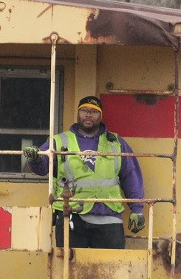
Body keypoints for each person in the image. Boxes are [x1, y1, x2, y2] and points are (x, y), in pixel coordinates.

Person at [23, 96, 145, 249]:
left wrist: (137, 209)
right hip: (70, 215)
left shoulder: (116, 142)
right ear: (78, 113)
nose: (88, 115)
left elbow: (131, 175)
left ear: (100, 115)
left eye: (94, 111)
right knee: (70, 269)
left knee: (110, 269)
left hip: (108, 216)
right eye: (84, 110)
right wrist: (34, 159)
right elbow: (42, 168)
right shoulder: (59, 141)